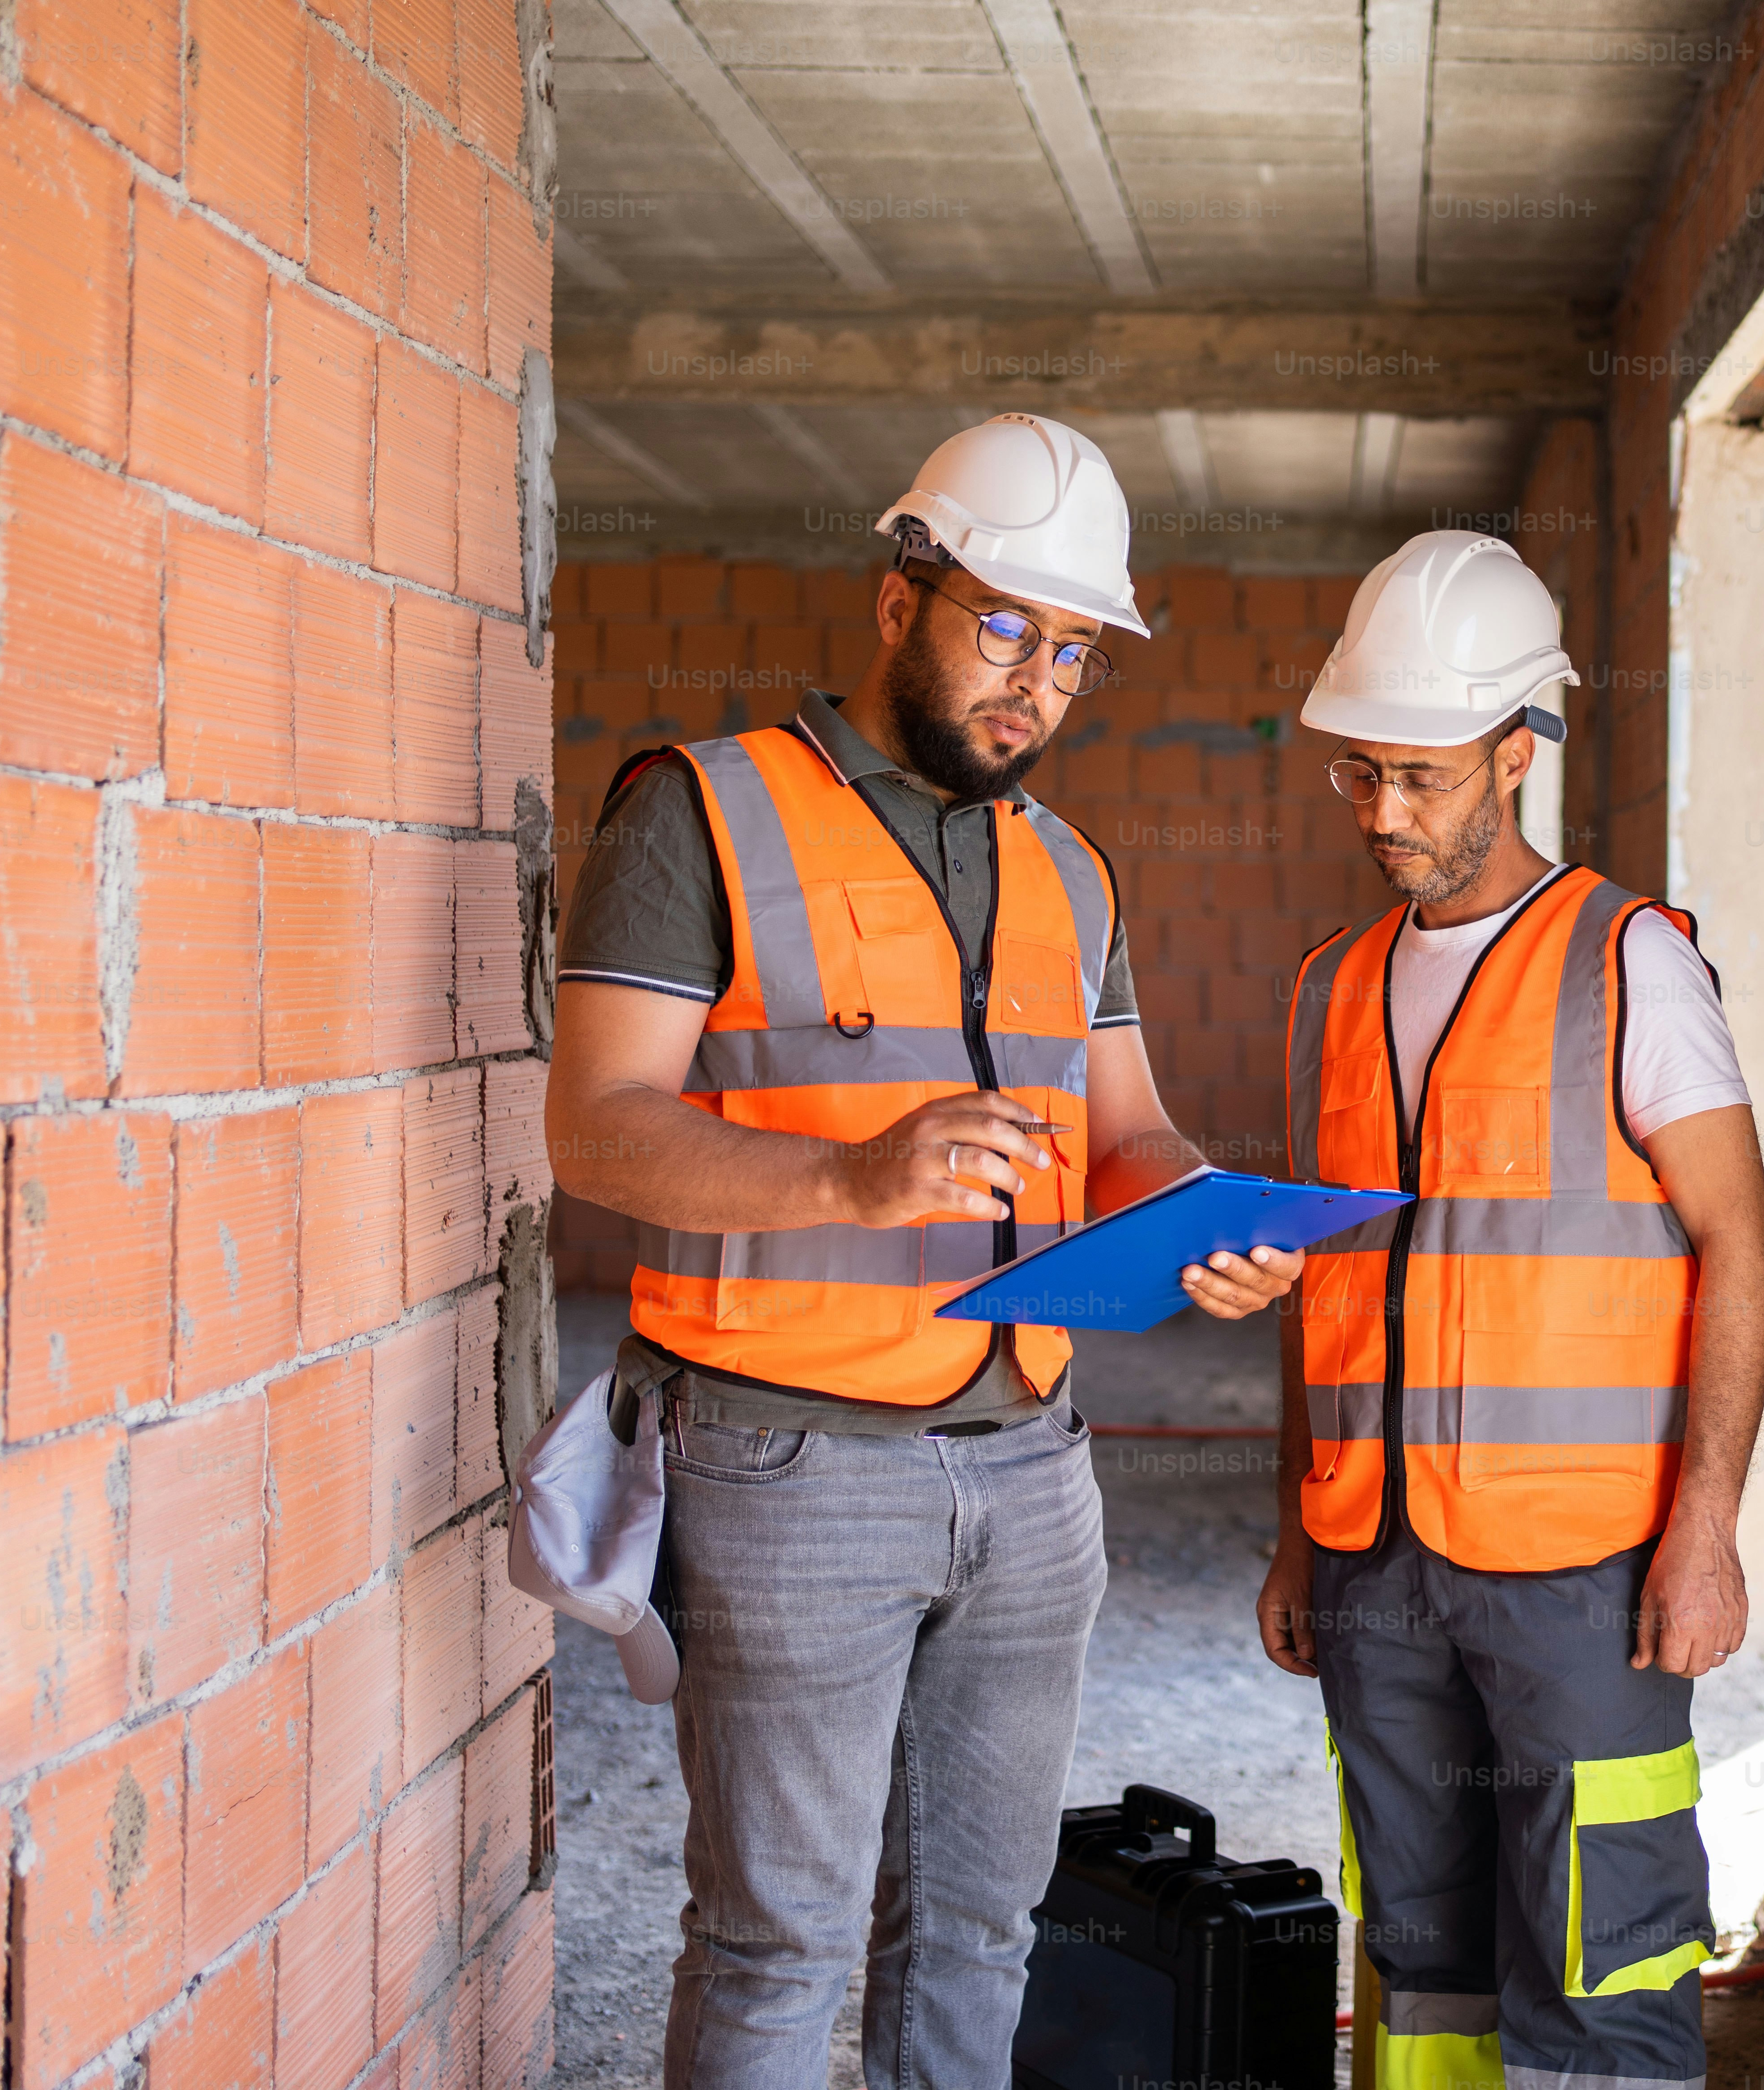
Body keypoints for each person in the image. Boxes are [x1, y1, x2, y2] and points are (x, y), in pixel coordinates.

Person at [544, 412, 1300, 2086]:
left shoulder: (1074, 869)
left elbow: (1130, 1130)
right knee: (775, 1945)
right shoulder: (701, 814)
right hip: (789, 1463)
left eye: (1076, 651)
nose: (1038, 680)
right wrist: (845, 1184)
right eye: (1005, 625)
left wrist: (1197, 1215)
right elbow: (594, 1128)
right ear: (901, 598)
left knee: (980, 1931)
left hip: (1032, 1471)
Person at [1255, 531, 1764, 2090]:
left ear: (1516, 752)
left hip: (1588, 1574)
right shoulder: (1327, 989)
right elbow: (1330, 1288)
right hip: (1373, 1556)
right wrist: (1299, 1529)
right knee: (1420, 1951)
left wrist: (1706, 1530)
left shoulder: (1630, 964)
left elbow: (1741, 1248)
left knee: (1601, 1949)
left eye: (1420, 779)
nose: (1386, 816)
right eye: (1361, 778)